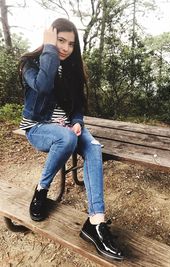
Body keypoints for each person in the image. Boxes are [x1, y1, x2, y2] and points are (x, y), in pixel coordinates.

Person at [18, 18, 124, 261]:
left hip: (67, 127)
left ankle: (95, 223)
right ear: (49, 40)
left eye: (70, 44)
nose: (65, 48)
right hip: (39, 127)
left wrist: (77, 121)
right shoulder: (29, 64)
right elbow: (43, 86)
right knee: (65, 138)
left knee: (94, 148)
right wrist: (49, 50)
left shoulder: (73, 71)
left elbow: (77, 107)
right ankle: (41, 189)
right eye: (60, 41)